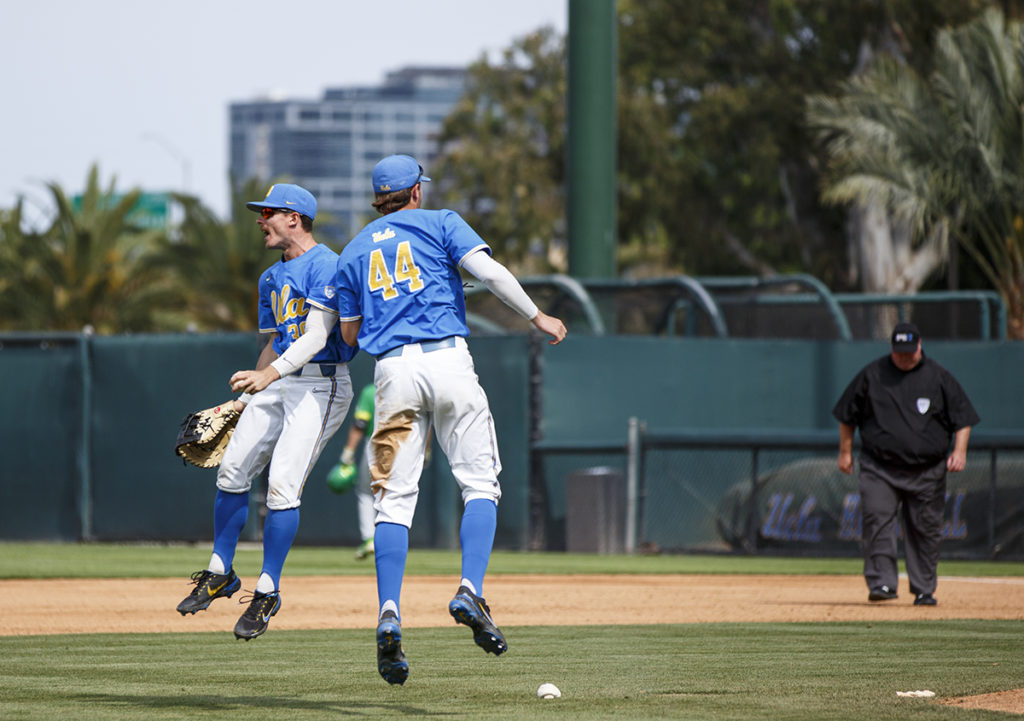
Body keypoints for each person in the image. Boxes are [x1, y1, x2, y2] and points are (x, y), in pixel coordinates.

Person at [335, 154, 567, 685]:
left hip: (392, 372)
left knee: (393, 500)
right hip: (448, 361)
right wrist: (538, 316)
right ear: (416, 192)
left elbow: (348, 338)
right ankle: (469, 588)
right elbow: (490, 272)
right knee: (480, 483)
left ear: (380, 199)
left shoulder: (352, 251)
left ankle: (390, 611)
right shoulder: (440, 222)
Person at [176, 183, 356, 640]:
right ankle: (220, 571)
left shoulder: (328, 265)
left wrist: (267, 378)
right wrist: (244, 400)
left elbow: (317, 336)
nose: (260, 220)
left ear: (294, 218)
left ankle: (268, 590)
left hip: (322, 384)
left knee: (282, 486)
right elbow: (273, 342)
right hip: (277, 381)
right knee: (232, 472)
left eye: (268, 213)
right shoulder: (269, 278)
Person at [832, 321, 979, 607]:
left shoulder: (938, 377)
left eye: (909, 352)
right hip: (880, 468)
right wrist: (845, 452)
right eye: (899, 352)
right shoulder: (873, 375)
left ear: (919, 347)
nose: (904, 356)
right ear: (891, 348)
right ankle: (882, 583)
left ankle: (924, 588)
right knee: (877, 520)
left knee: (925, 528)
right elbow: (847, 415)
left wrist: (960, 451)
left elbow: (963, 418)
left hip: (927, 470)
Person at [327, 382, 378, 560]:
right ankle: (391, 540)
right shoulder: (410, 387)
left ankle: (370, 538)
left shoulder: (371, 391)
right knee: (397, 496)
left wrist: (347, 454)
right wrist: (425, 451)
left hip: (376, 445)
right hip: (407, 445)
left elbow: (360, 424)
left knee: (366, 492)